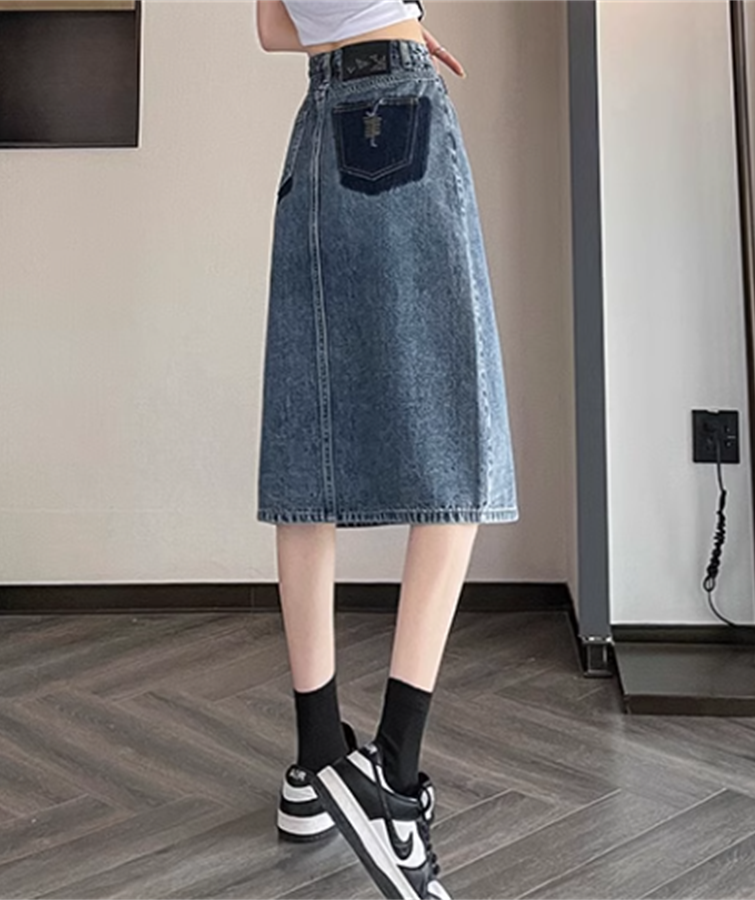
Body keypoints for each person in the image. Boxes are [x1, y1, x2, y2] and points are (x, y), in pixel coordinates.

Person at [255, 2, 520, 898]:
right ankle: (392, 775)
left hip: (319, 128)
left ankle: (318, 759)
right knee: (460, 446)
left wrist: (380, 17)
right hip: (399, 105)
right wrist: (399, 21)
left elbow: (273, 25)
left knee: (311, 439)